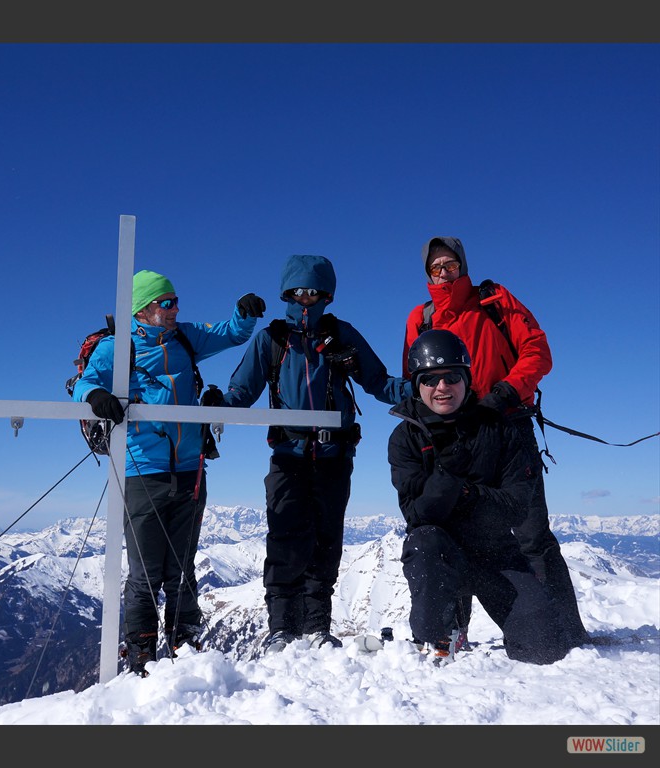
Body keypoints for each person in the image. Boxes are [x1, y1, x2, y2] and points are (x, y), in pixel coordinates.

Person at [71, 269, 266, 676]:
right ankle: (141, 655)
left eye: (176, 301)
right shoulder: (116, 348)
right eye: (167, 303)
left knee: (182, 566)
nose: (176, 309)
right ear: (144, 308)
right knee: (146, 572)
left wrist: (244, 315)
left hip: (190, 467)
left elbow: (229, 333)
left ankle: (186, 647)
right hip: (144, 468)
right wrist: (98, 396)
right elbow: (82, 384)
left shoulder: (185, 337)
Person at [401, 236, 589, 650]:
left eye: (451, 264)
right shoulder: (423, 316)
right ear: (428, 275)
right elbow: (413, 372)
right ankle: (454, 632)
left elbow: (537, 350)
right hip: (448, 435)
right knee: (452, 527)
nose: (444, 273)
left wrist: (506, 391)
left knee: (531, 532)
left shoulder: (493, 300)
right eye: (436, 268)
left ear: (463, 265)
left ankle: (566, 632)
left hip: (505, 425)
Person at [217, 254, 410, 654]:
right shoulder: (271, 339)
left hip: (335, 452)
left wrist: (421, 392)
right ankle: (281, 628)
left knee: (327, 538)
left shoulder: (343, 335)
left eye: (314, 292)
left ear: (327, 295)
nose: (306, 299)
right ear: (288, 293)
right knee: (286, 536)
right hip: (288, 452)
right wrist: (217, 404)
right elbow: (242, 392)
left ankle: (317, 625)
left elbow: (377, 381)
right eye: (299, 291)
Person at [388, 329, 575, 665]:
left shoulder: (498, 430)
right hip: (440, 554)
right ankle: (436, 635)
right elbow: (418, 516)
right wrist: (447, 478)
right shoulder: (406, 437)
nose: (442, 387)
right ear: (417, 384)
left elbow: (517, 509)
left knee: (546, 647)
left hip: (496, 553)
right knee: (424, 542)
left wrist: (464, 491)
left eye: (452, 377)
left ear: (467, 380)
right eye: (430, 379)